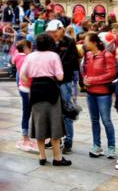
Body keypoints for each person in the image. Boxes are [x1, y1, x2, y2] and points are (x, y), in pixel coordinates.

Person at [20, 33, 71, 167]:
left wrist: (31, 83)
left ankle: (42, 157)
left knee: (39, 123)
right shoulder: (53, 56)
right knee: (55, 124)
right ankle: (57, 158)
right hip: (51, 90)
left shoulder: (30, 56)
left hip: (36, 90)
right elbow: (60, 77)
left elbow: (22, 75)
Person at [83, 33, 117, 159]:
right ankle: (96, 146)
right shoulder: (88, 55)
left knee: (106, 120)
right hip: (90, 93)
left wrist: (92, 80)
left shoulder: (106, 55)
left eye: (86, 41)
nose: (85, 44)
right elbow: (85, 71)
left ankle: (111, 147)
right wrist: (85, 79)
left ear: (95, 42)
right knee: (94, 120)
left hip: (103, 93)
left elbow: (111, 74)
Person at [47, 20, 78, 154]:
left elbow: (71, 61)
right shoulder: (50, 42)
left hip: (65, 81)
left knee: (67, 111)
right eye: (51, 32)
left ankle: (68, 141)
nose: (53, 34)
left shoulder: (69, 42)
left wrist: (56, 68)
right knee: (53, 111)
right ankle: (56, 139)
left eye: (55, 31)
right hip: (52, 81)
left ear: (61, 29)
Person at [14, 40, 37, 152]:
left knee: (26, 113)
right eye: (30, 47)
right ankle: (31, 137)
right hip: (30, 88)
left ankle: (25, 136)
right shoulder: (28, 58)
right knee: (33, 113)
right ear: (26, 48)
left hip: (22, 88)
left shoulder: (17, 56)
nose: (32, 49)